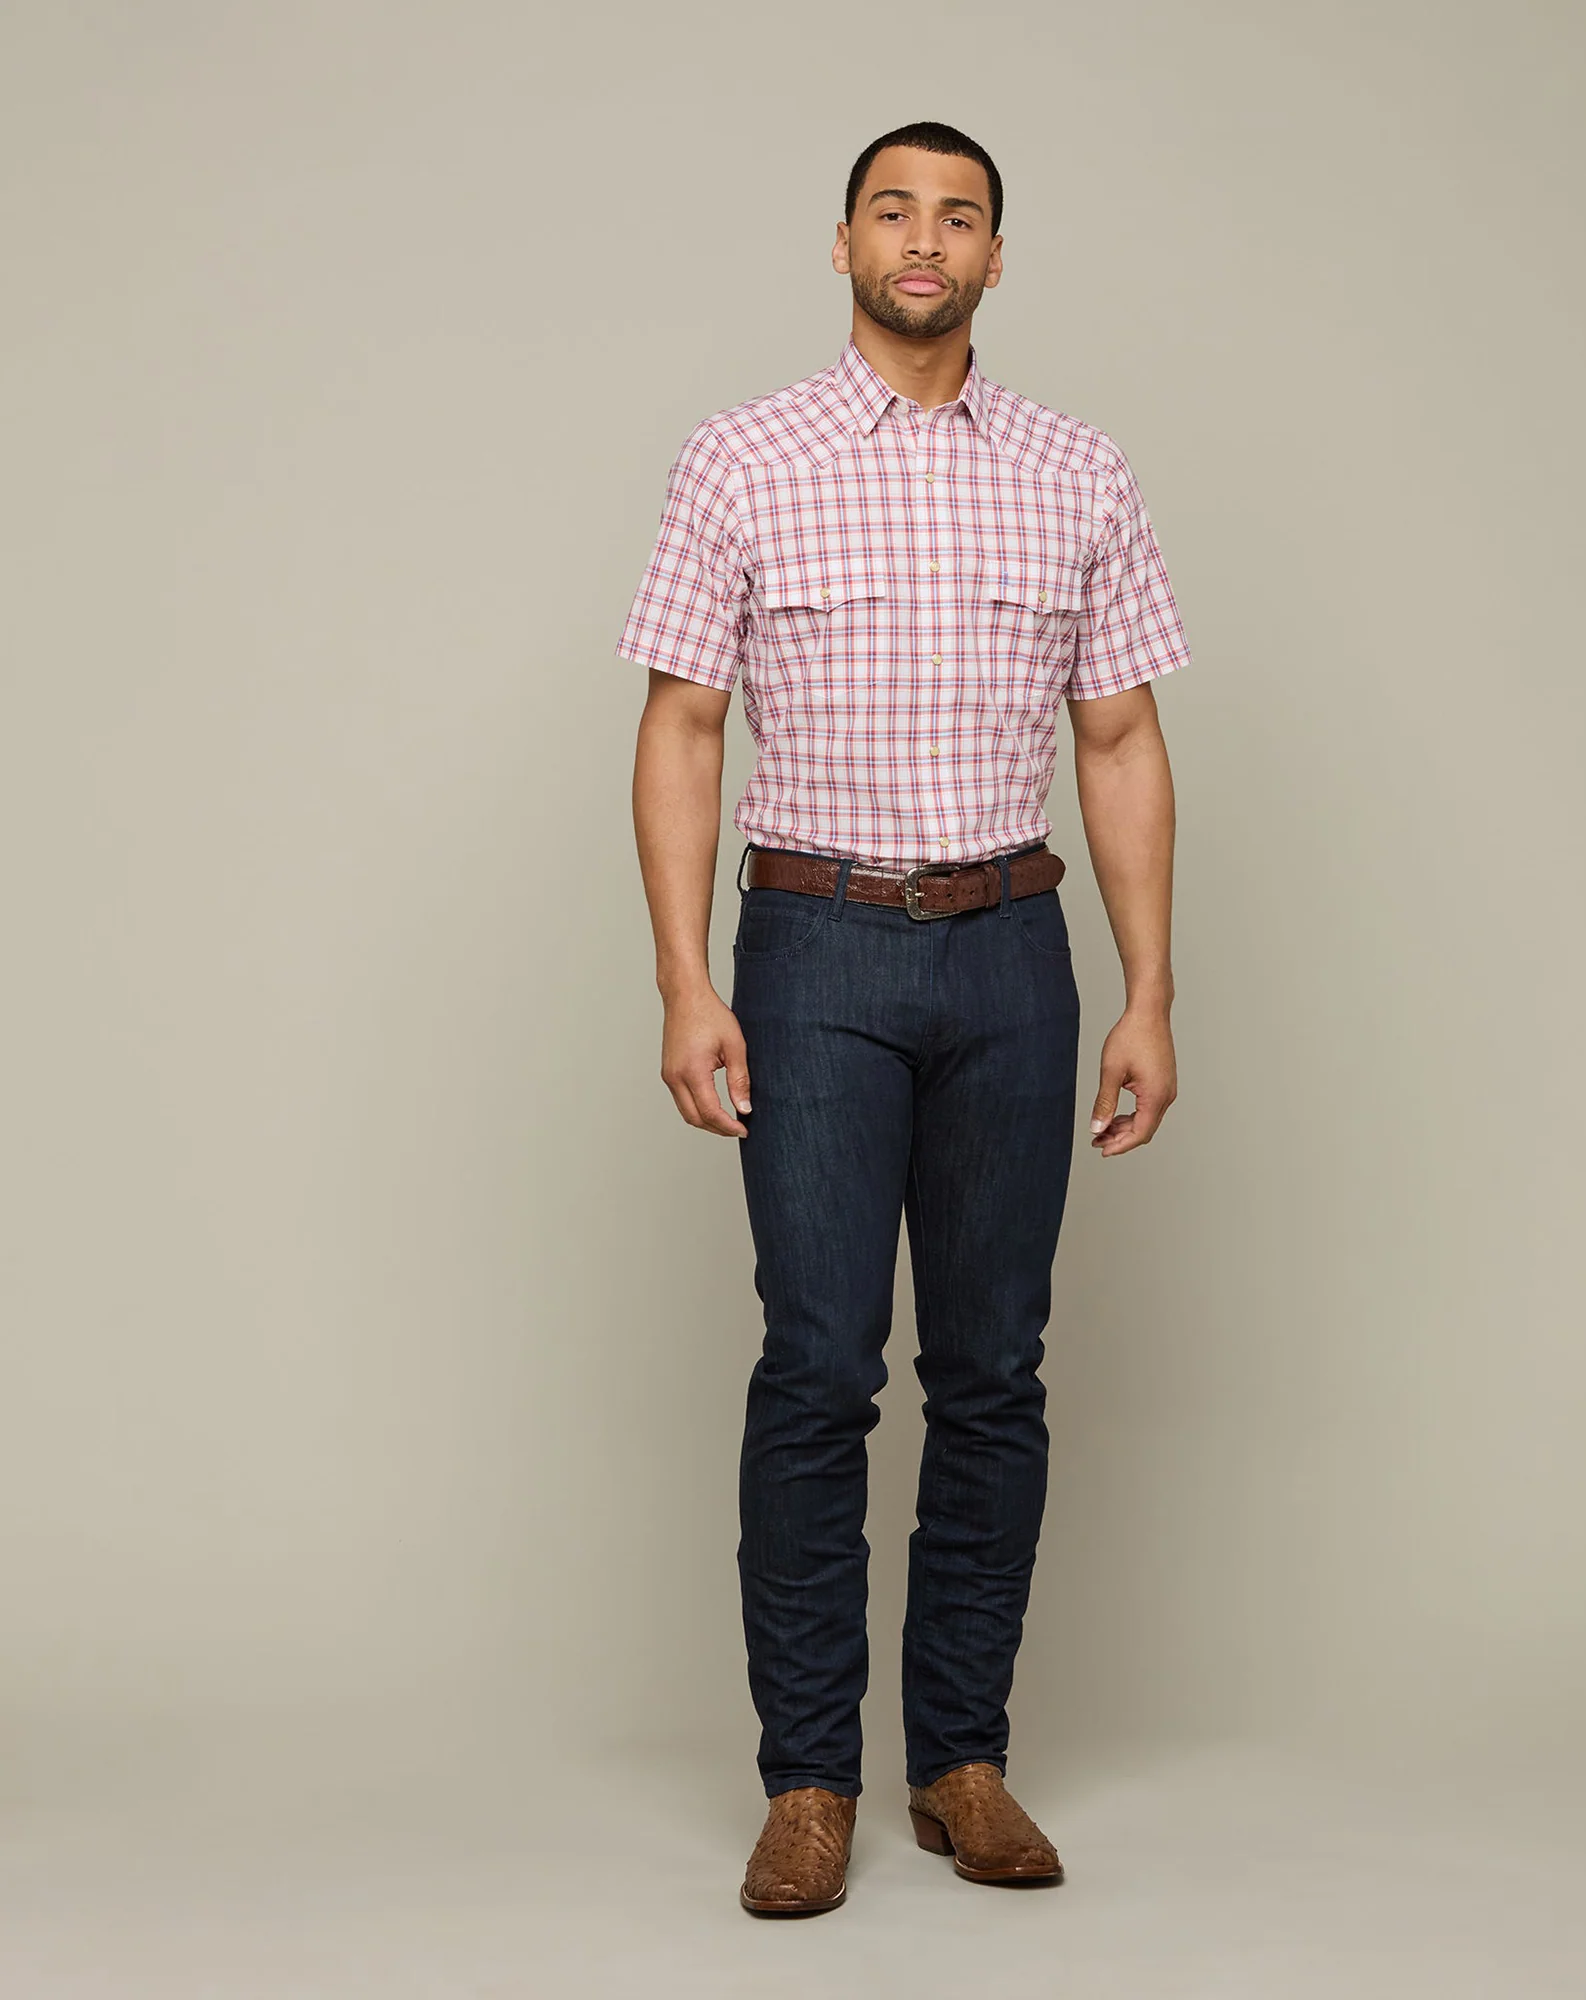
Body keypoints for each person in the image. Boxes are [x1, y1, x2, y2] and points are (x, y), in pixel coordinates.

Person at [619, 119, 1190, 1916]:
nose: (923, 239)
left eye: (959, 216)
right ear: (845, 243)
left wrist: (1150, 991)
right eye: (893, 210)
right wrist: (686, 979)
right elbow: (682, 726)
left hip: (1013, 952)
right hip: (816, 948)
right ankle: (808, 1782)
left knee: (995, 1371)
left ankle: (961, 1761)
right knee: (817, 1366)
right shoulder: (744, 457)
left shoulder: (1079, 470)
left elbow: (1119, 740)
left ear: (997, 257)